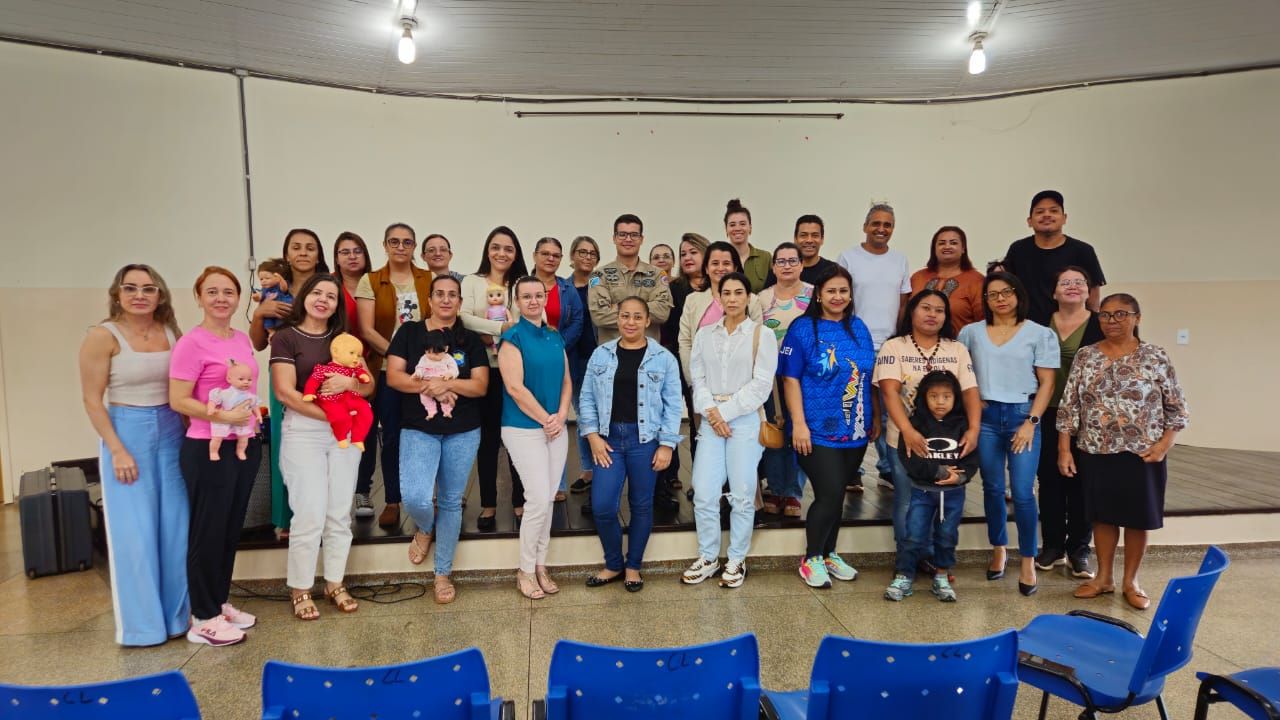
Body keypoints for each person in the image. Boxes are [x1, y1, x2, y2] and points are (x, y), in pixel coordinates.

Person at [79, 264, 187, 646]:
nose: (139, 295)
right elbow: (92, 400)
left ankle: (178, 619)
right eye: (130, 288)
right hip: (127, 432)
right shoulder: (102, 336)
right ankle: (143, 629)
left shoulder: (171, 332)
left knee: (176, 528)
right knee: (135, 534)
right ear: (117, 294)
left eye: (148, 288)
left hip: (172, 430)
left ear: (160, 294)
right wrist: (117, 449)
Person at [1059, 294, 1188, 610]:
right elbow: (1069, 405)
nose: (1111, 321)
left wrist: (1163, 445)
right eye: (1105, 315)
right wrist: (1064, 449)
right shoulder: (1086, 355)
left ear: (1137, 318)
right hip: (1095, 449)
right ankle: (1104, 578)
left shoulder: (1155, 356)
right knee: (1101, 517)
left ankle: (1131, 581)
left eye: (1120, 314)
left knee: (1137, 518)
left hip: (1143, 453)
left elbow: (1177, 408)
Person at [169, 266, 262, 647]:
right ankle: (203, 617)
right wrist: (222, 417)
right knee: (207, 530)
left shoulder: (241, 339)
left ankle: (219, 602)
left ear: (238, 298)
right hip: (208, 447)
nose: (221, 298)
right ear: (198, 297)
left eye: (228, 292)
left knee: (229, 527)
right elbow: (178, 399)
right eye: (212, 292)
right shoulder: (191, 343)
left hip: (245, 443)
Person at [270, 274, 371, 620]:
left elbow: (367, 386)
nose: (323, 300)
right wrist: (333, 417)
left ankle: (335, 583)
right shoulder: (286, 337)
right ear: (305, 297)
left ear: (337, 305)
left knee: (339, 512)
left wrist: (348, 384)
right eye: (317, 293)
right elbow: (285, 392)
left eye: (331, 296)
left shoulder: (344, 339)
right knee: (309, 512)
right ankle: (300, 588)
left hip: (345, 433)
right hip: (305, 431)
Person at [386, 275, 489, 604]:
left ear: (459, 302)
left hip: (463, 430)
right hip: (419, 427)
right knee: (415, 497)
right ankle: (425, 527)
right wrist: (431, 388)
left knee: (450, 501)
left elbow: (479, 386)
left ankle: (442, 573)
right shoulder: (409, 333)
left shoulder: (469, 339)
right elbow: (394, 377)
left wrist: (449, 385)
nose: (446, 300)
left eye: (452, 295)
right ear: (429, 300)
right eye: (440, 294)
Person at [958, 271, 1058, 596]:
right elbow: (961, 373)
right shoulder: (970, 332)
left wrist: (1031, 422)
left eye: (1006, 292)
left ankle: (1028, 559)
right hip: (986, 418)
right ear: (985, 300)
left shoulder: (1040, 334)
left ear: (1018, 295)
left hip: (1022, 416)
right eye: (992, 294)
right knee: (992, 488)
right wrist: (973, 399)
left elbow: (1047, 383)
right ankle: (999, 548)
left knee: (1024, 492)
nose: (1000, 299)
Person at [780, 266, 878, 589]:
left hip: (855, 429)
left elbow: (868, 376)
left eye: (843, 291)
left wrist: (874, 418)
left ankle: (829, 553)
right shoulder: (802, 328)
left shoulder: (859, 327)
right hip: (815, 430)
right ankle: (811, 559)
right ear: (819, 295)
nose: (838, 297)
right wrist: (798, 424)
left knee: (837, 497)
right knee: (830, 492)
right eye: (831, 291)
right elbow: (790, 379)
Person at [579, 297, 683, 592]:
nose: (631, 322)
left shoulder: (663, 358)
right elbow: (586, 397)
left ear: (648, 321)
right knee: (602, 506)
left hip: (645, 440)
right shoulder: (601, 354)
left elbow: (673, 405)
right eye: (625, 316)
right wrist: (593, 437)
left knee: (641, 505)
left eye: (638, 317)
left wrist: (667, 445)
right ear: (617, 318)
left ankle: (633, 566)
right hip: (608, 440)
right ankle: (613, 563)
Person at [874, 289, 980, 577]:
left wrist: (973, 429)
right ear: (912, 311)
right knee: (908, 500)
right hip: (904, 441)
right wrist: (908, 431)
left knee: (941, 499)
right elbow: (889, 392)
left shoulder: (956, 349)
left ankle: (932, 557)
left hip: (948, 443)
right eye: (926, 308)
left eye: (939, 310)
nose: (932, 314)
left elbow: (970, 391)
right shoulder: (894, 347)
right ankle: (907, 559)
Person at [682, 272, 776, 589]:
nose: (732, 298)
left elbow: (761, 385)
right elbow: (697, 378)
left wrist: (723, 413)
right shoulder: (705, 334)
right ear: (718, 297)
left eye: (739, 292)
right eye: (727, 293)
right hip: (711, 419)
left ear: (748, 297)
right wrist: (712, 413)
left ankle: (736, 558)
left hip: (745, 419)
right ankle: (708, 557)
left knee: (742, 493)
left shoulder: (762, 335)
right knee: (704, 491)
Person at [250, 229, 329, 535]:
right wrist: (260, 314)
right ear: (286, 254)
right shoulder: (272, 290)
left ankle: (320, 515)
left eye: (310, 247)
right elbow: (258, 343)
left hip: (320, 374)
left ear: (319, 255)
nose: (303, 252)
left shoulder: (326, 288)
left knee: (323, 444)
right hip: (284, 374)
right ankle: (286, 518)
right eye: (296, 247)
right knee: (284, 442)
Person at [354, 223, 433, 529]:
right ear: (385, 245)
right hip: (388, 371)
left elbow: (437, 320)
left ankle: (426, 497)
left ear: (414, 247)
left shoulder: (428, 278)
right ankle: (392, 500)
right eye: (394, 242)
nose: (401, 247)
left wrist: (422, 361)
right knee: (392, 436)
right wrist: (401, 358)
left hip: (426, 370)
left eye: (407, 242)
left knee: (426, 433)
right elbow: (367, 330)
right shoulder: (371, 280)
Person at [498, 276, 572, 599]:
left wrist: (561, 415)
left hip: (555, 427)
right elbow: (515, 388)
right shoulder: (512, 337)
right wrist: (546, 419)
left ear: (545, 298)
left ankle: (541, 565)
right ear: (516, 301)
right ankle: (525, 570)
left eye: (538, 295)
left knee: (548, 498)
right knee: (538, 498)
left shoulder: (555, 335)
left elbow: (567, 381)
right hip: (523, 427)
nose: (533, 301)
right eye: (526, 296)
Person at [884, 370, 980, 602]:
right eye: (933, 396)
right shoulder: (916, 424)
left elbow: (971, 460)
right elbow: (909, 459)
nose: (940, 402)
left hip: (953, 495)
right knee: (913, 535)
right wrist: (939, 472)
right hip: (922, 492)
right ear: (923, 397)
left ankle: (942, 577)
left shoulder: (963, 426)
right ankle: (904, 575)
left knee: (947, 537)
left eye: (947, 396)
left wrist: (960, 478)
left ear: (956, 398)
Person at [836, 203, 912, 490]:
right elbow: (839, 298)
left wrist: (898, 339)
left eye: (887, 224)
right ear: (865, 226)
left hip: (890, 346)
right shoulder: (848, 257)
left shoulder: (900, 261)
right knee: (854, 404)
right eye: (876, 223)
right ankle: (852, 469)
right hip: (856, 342)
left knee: (889, 408)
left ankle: (887, 468)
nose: (881, 229)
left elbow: (903, 304)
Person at [1035, 266, 1104, 579]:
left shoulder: (1101, 324)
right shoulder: (1039, 325)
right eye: (1066, 282)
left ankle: (1079, 549)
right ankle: (1052, 546)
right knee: (1049, 479)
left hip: (1088, 416)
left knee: (1082, 481)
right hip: (1046, 410)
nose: (1073, 286)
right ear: (1054, 292)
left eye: (1080, 282)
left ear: (1089, 291)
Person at [460, 226, 528, 530]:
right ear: (487, 250)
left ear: (516, 254)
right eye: (496, 247)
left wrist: (504, 334)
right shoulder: (472, 282)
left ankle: (520, 500)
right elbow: (464, 318)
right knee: (487, 439)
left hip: (516, 370)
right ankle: (488, 503)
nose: (502, 253)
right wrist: (499, 330)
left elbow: (530, 320)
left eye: (508, 248)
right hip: (483, 370)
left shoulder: (521, 284)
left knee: (517, 437)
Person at [756, 242, 813, 517]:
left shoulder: (814, 295)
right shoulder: (762, 299)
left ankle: (793, 491)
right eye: (781, 261)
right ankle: (776, 488)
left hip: (806, 376)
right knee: (775, 432)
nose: (787, 266)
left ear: (802, 264)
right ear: (773, 266)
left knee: (799, 433)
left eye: (792, 261)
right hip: (772, 377)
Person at [654, 232, 709, 500]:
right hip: (675, 359)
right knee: (669, 417)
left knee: (701, 424)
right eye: (683, 253)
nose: (687, 257)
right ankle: (665, 479)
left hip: (710, 367)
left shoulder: (718, 287)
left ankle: (702, 479)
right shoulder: (674, 287)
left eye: (693, 252)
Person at [1002, 190, 1107, 325]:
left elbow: (1093, 294)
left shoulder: (1083, 250)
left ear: (1064, 218)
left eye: (1054, 211)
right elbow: (1007, 288)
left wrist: (1091, 325)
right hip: (1027, 327)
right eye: (1040, 212)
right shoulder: (1018, 249)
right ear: (1029, 221)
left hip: (1071, 327)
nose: (1047, 215)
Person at [532, 236, 584, 501]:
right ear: (535, 256)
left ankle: (557, 483)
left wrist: (558, 344)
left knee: (557, 419)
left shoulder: (566, 288)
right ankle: (534, 483)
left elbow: (577, 319)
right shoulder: (522, 284)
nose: (550, 258)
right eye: (545, 253)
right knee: (534, 420)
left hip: (560, 359)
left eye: (556, 255)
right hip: (528, 361)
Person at [678, 241, 764, 382]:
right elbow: (685, 342)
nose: (720, 268)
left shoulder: (752, 300)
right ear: (706, 268)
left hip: (744, 381)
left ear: (735, 267)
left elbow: (758, 342)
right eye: (715, 263)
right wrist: (694, 382)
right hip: (703, 381)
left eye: (726, 263)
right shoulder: (692, 300)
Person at [588, 214, 673, 344]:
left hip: (649, 353)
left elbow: (662, 312)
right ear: (614, 238)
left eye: (634, 235)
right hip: (611, 353)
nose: (628, 239)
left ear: (641, 239)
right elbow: (600, 316)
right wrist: (644, 310)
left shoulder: (657, 275)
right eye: (622, 234)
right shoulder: (599, 275)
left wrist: (617, 308)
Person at [566, 236, 601, 496]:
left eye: (592, 253)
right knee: (583, 413)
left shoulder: (601, 284)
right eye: (582, 252)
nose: (587, 257)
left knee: (603, 414)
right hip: (573, 358)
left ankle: (605, 467)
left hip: (600, 356)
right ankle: (588, 469)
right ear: (572, 256)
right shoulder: (563, 287)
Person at [910, 226, 986, 333]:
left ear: (963, 249)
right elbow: (905, 313)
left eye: (953, 243)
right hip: (915, 342)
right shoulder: (917, 277)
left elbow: (983, 322)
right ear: (934, 249)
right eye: (941, 243)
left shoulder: (977, 280)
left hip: (960, 342)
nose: (947, 246)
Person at [764, 214, 839, 287]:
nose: (809, 240)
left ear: (822, 239)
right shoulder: (780, 270)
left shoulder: (833, 270)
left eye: (815, 235)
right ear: (795, 239)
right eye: (803, 235)